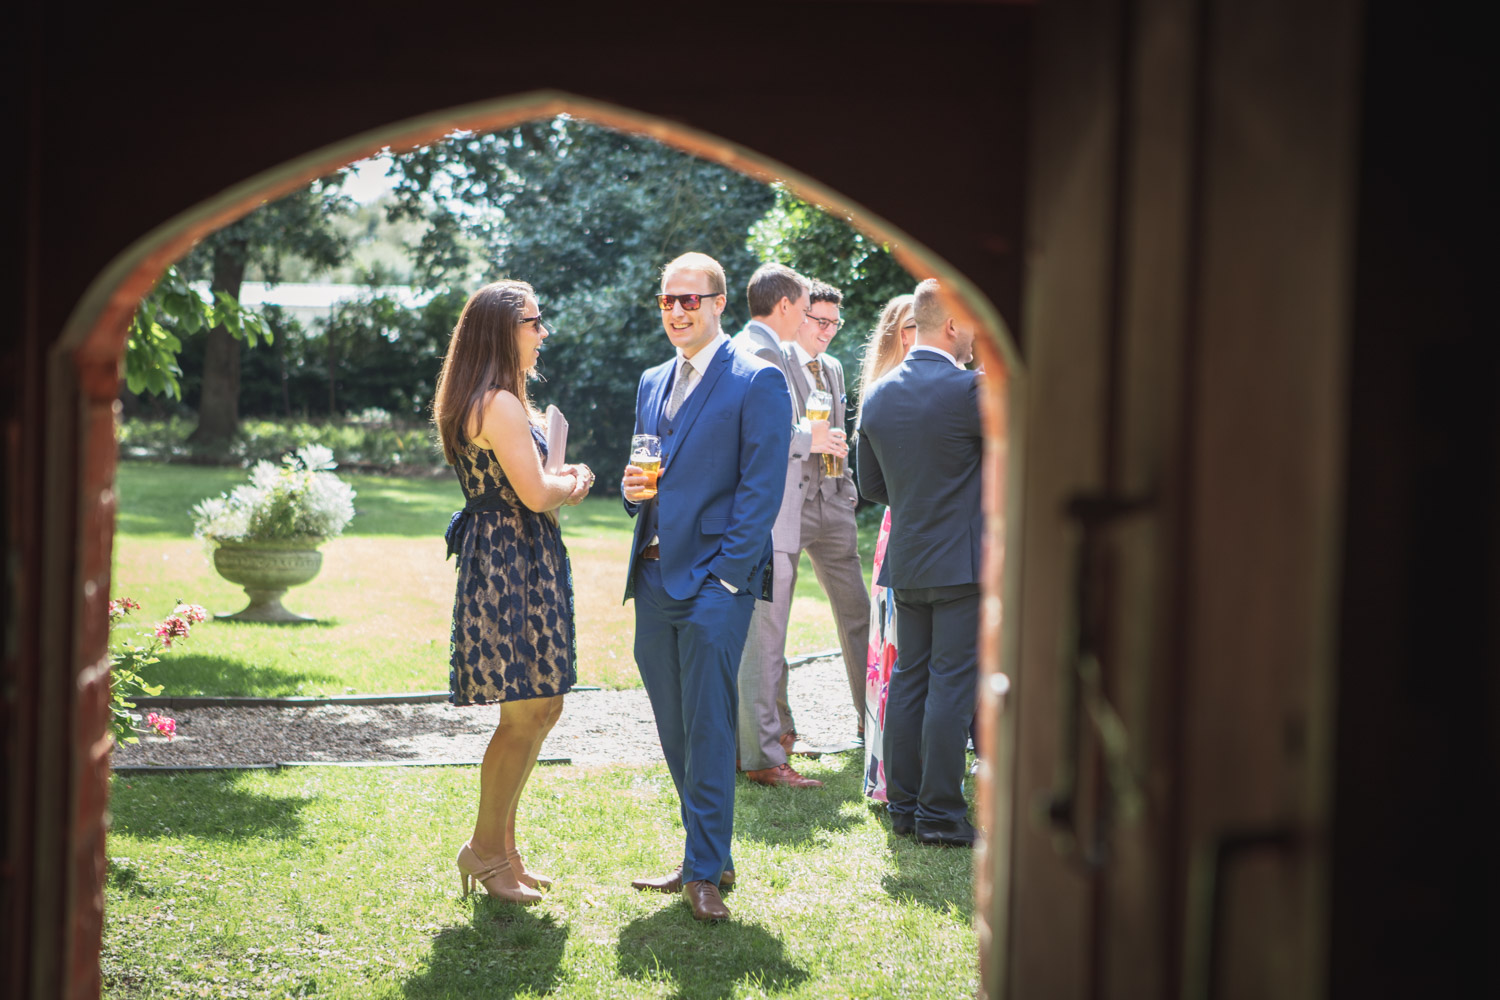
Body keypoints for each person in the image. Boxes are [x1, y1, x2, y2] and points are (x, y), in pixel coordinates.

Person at [621, 252, 792, 921]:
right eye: (667, 300)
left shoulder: (758, 380)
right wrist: (632, 492)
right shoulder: (651, 380)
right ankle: (708, 853)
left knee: (711, 727)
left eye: (689, 299)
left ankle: (702, 872)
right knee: (675, 726)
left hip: (716, 585)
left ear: (719, 303)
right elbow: (646, 475)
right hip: (653, 575)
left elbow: (761, 491)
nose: (676, 311)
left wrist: (726, 578)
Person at [433, 279, 594, 903]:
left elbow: (526, 484)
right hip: (508, 565)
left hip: (523, 557)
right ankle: (484, 851)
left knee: (543, 707)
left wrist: (554, 480)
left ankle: (504, 849)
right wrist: (573, 481)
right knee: (524, 711)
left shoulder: (501, 399)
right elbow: (534, 494)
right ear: (502, 331)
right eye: (533, 321)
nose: (542, 332)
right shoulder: (497, 402)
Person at [855, 278, 983, 847]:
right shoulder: (972, 390)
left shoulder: (878, 394)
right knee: (951, 685)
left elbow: (872, 485)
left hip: (907, 560)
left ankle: (904, 807)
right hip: (963, 563)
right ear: (952, 325)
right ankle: (941, 815)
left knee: (909, 680)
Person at [731, 264, 847, 788]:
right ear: (783, 307)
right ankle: (762, 756)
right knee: (763, 640)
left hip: (763, 515)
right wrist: (811, 439)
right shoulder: (762, 354)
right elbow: (758, 431)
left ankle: (758, 745)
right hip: (768, 515)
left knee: (759, 638)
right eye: (804, 311)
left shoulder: (750, 346)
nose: (808, 322)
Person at [855, 293, 917, 802]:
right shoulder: (887, 390)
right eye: (912, 325)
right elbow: (872, 484)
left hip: (909, 526)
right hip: (901, 526)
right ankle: (888, 770)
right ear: (897, 334)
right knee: (894, 651)